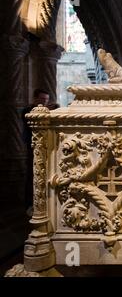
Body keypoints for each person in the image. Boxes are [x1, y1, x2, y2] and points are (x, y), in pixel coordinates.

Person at [22, 89, 59, 217]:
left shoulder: (45, 111)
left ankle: (43, 204)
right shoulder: (27, 111)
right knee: (31, 176)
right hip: (32, 147)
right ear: (35, 99)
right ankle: (29, 205)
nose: (44, 102)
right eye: (42, 99)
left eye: (46, 100)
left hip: (44, 146)